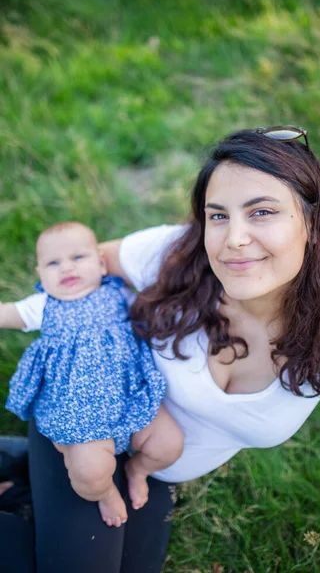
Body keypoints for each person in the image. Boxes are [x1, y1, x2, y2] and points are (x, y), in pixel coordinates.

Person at [1, 126, 320, 573]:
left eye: (261, 212)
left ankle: (18, 466)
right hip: (86, 411)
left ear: (313, 225)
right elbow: (82, 262)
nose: (234, 239)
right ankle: (42, 457)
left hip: (153, 461)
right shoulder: (173, 255)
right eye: (218, 216)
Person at [1, 221, 183, 528]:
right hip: (78, 411)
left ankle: (137, 470)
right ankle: (105, 492)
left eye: (77, 258)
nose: (66, 268)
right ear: (41, 276)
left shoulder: (119, 293)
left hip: (128, 394)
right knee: (88, 474)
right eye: (53, 263)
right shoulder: (43, 305)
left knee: (169, 445)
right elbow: (6, 313)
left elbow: (157, 309)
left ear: (101, 264)